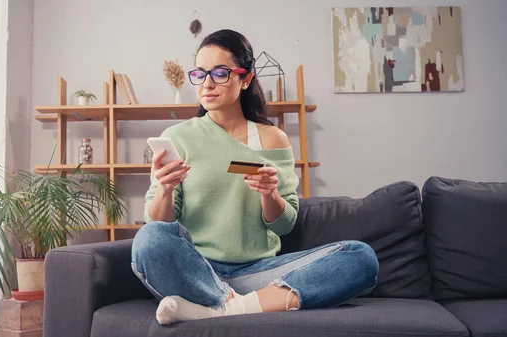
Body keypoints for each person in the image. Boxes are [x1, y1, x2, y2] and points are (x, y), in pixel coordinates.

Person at [131, 29, 379, 325]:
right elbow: (157, 222)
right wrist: (165, 190)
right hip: (196, 269)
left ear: (245, 79)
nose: (207, 83)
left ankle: (223, 307)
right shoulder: (177, 137)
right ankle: (227, 301)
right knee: (150, 238)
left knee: (360, 257)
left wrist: (270, 195)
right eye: (200, 74)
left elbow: (285, 225)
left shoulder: (272, 139)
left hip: (257, 274)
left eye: (220, 73)